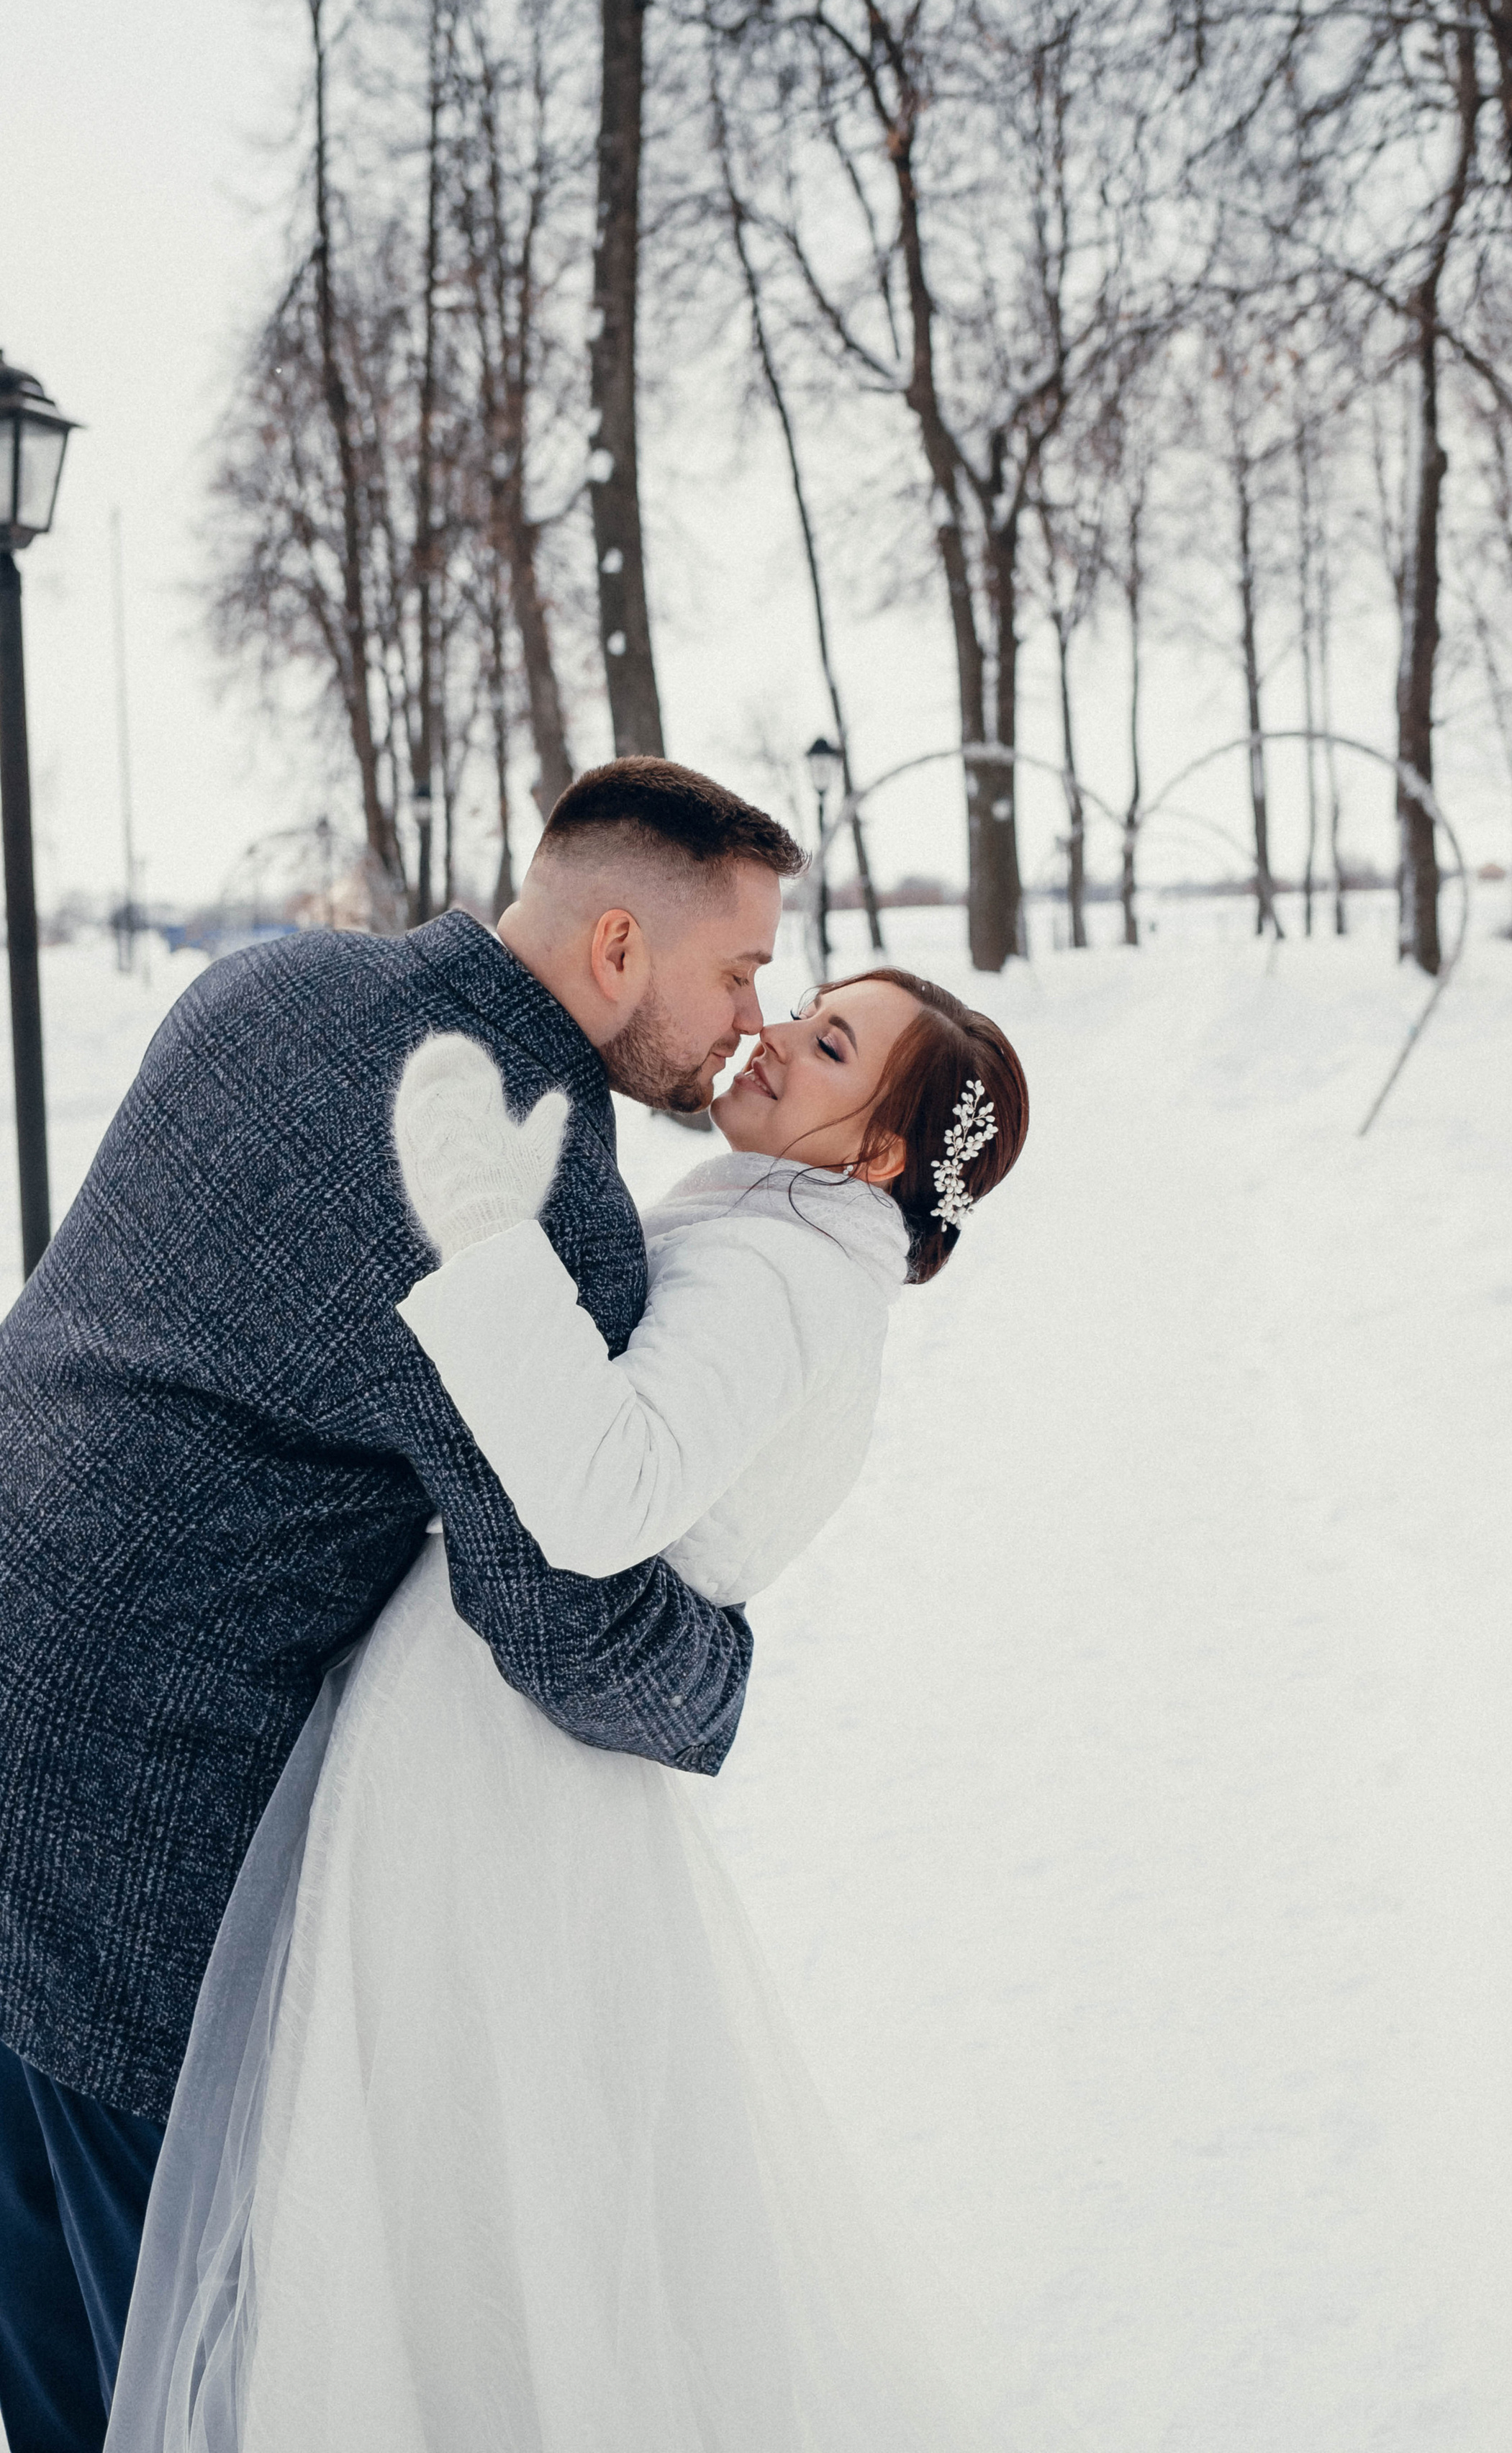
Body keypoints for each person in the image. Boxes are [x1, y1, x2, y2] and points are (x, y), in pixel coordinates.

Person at [107, 964, 1028, 2451]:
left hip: (489, 1762)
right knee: (483, 2206)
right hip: (518, 1756)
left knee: (420, 2194)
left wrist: (487, 1239)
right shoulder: (788, 1250)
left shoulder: (782, 1276)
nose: (777, 1033)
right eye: (803, 1003)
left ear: (875, 1154)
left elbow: (603, 1495)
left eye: (830, 1042)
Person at [0, 758, 807, 2453]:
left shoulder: (264, 982)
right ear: (613, 946)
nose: (755, 1017)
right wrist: (723, 1665)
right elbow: (568, 1632)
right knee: (170, 2389)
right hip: (128, 1882)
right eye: (736, 970)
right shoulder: (526, 1198)